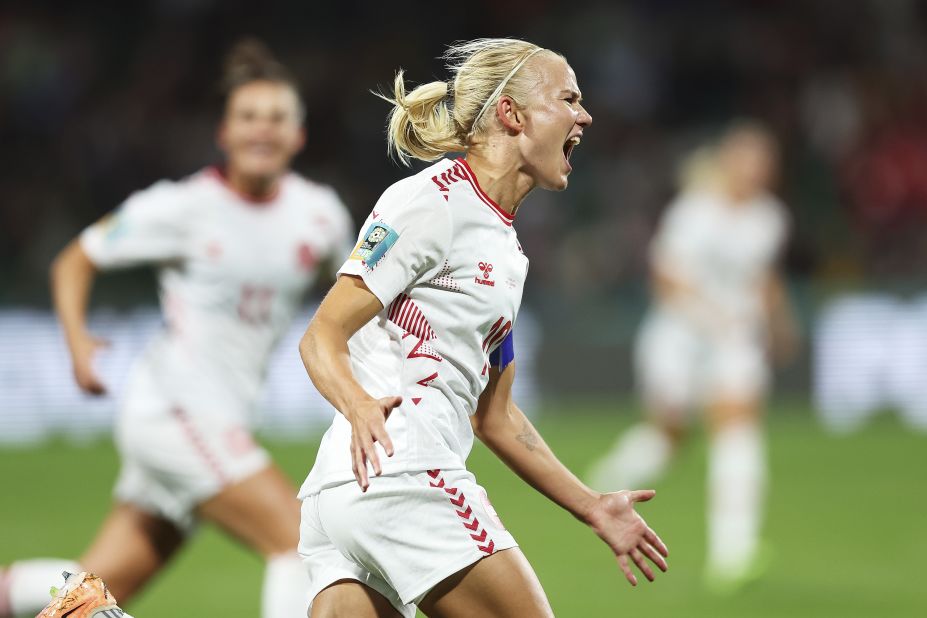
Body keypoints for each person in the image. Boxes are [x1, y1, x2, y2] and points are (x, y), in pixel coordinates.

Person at [296, 38, 670, 618]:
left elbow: (495, 414)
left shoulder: (505, 248)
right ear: (512, 114)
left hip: (348, 492)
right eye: (568, 98)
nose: (585, 115)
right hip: (404, 471)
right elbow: (321, 333)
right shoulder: (429, 202)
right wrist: (358, 404)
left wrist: (592, 505)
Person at [0, 39, 354, 618]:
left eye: (277, 118)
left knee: (97, 592)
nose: (261, 130)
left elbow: (351, 298)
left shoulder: (321, 215)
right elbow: (75, 259)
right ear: (224, 133)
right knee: (302, 540)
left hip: (221, 419)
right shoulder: (180, 207)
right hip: (176, 412)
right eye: (248, 118)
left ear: (299, 136)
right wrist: (77, 344)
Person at [587, 121, 797, 591]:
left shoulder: (770, 218)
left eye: (765, 160)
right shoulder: (695, 213)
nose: (757, 169)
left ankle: (733, 554)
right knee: (668, 439)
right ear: (729, 161)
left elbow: (764, 279)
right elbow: (665, 280)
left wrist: (780, 325)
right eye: (748, 158)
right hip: (678, 340)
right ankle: (607, 482)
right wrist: (711, 316)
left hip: (734, 343)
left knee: (737, 431)